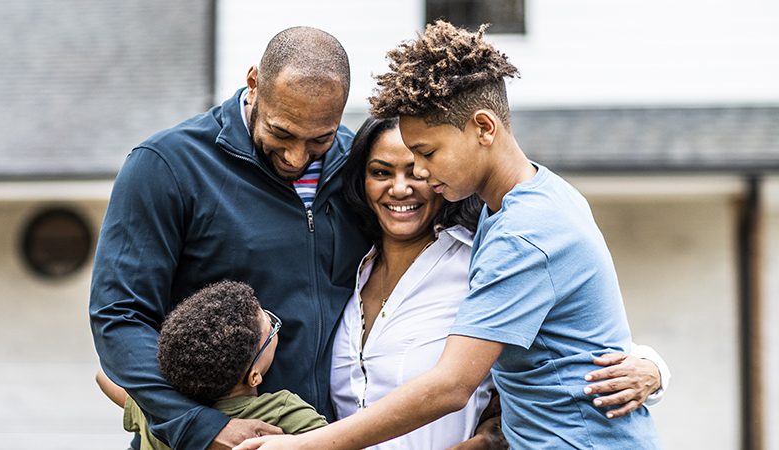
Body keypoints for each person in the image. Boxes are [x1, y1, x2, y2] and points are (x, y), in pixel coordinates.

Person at [237, 21, 663, 450]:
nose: (420, 172)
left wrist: (303, 446)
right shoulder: (525, 204)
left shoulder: (524, 232)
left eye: (427, 153)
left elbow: (452, 386)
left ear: (484, 128)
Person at [89, 26, 370, 450]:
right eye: (281, 132)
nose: (296, 157)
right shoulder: (166, 166)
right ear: (253, 83)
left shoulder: (361, 168)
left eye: (320, 139)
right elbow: (120, 317)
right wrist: (203, 428)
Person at [327, 116, 670, 449]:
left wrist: (652, 367)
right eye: (381, 172)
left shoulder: (488, 255)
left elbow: (574, 337)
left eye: (420, 165)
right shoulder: (344, 267)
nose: (402, 186)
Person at [95, 280, 327, 450]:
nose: (274, 325)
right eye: (271, 328)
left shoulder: (156, 413)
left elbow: (102, 376)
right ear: (254, 375)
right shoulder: (281, 412)